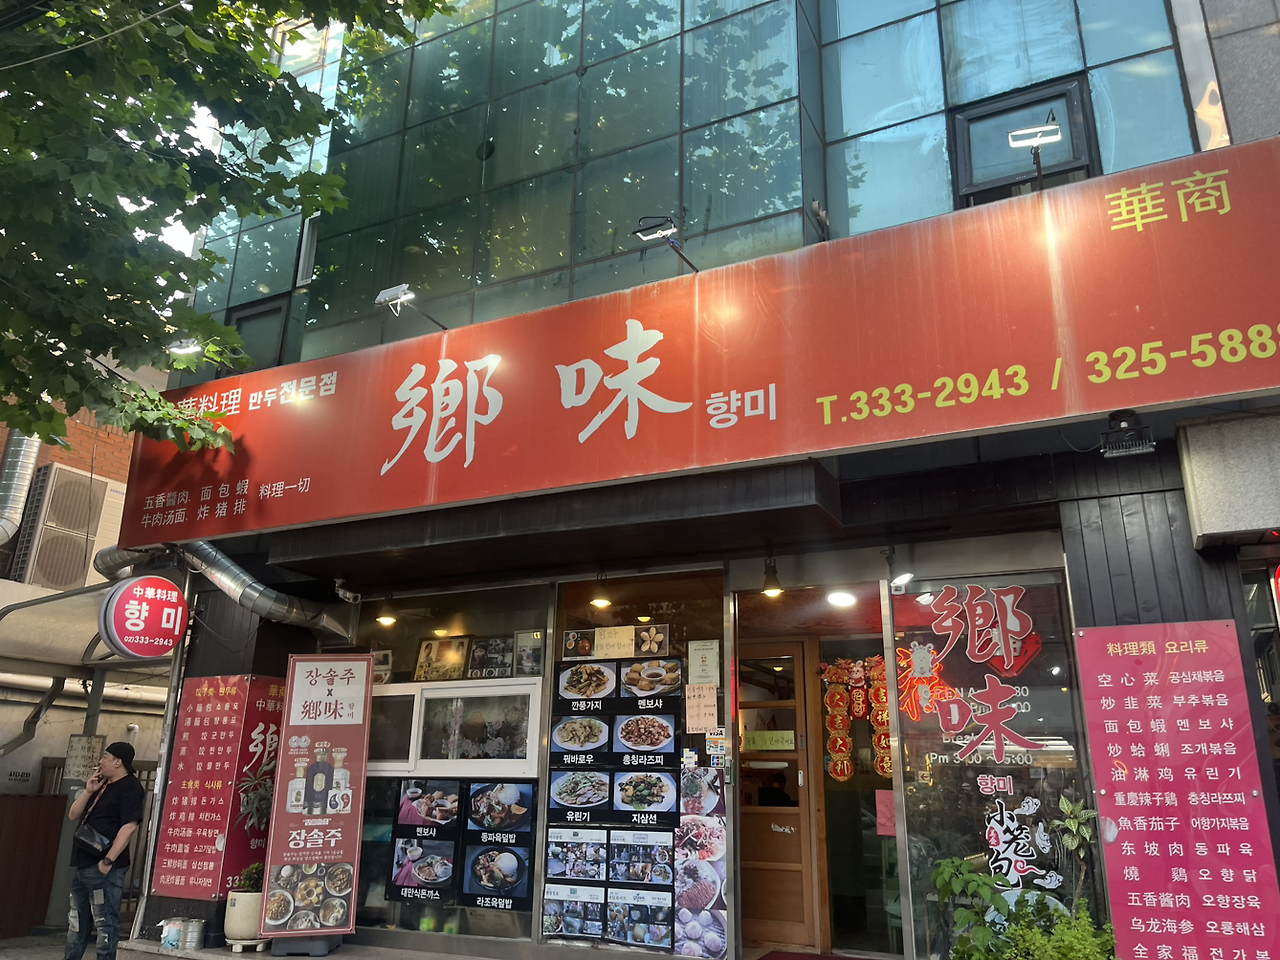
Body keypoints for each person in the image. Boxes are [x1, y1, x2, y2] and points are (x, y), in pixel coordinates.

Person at [63, 742, 146, 960]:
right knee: (77, 920)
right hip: (83, 862)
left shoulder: (130, 787)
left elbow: (129, 827)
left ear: (118, 762)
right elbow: (73, 814)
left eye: (105, 757)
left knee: (105, 921)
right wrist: (88, 791)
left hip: (104, 866)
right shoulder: (102, 785)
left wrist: (108, 861)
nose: (101, 762)